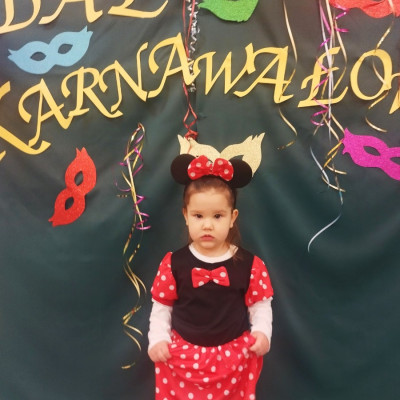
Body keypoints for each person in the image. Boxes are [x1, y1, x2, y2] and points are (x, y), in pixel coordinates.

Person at [148, 153, 274, 400]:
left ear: (232, 217)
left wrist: (262, 332)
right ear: (185, 215)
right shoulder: (172, 264)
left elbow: (260, 304)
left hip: (232, 361)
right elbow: (162, 306)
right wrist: (158, 339)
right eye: (198, 216)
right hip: (183, 360)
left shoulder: (251, 265)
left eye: (217, 216)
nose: (207, 225)